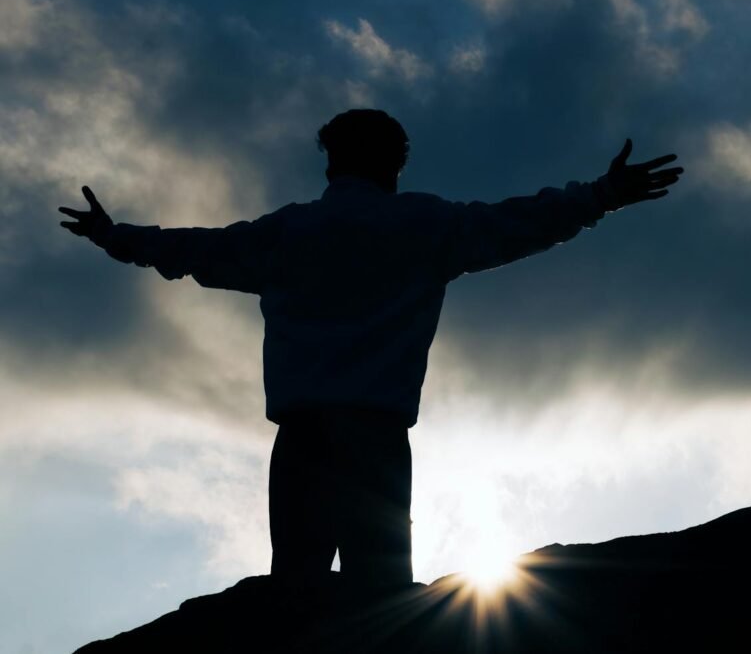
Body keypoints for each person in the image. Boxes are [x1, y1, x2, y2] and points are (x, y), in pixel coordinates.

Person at [58, 108, 683, 589]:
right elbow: (519, 223)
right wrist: (601, 195)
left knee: (297, 589)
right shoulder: (427, 224)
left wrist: (116, 236)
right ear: (396, 164)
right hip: (377, 435)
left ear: (331, 163)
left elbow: (193, 249)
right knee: (379, 601)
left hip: (302, 434)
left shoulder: (289, 232)